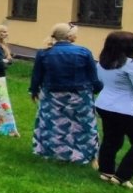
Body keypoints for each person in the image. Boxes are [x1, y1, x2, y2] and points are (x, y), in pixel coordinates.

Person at [29, 22, 103, 164]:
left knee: (53, 125)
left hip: (52, 96)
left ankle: (53, 153)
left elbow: (37, 76)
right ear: (70, 36)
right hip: (80, 96)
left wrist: (33, 90)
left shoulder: (44, 53)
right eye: (75, 32)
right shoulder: (84, 52)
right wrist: (98, 89)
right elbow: (93, 78)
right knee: (83, 126)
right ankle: (85, 154)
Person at [95, 31, 133, 189]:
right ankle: (122, 176)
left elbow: (110, 81)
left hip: (106, 105)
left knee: (111, 139)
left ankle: (106, 171)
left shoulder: (102, 63)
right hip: (129, 109)